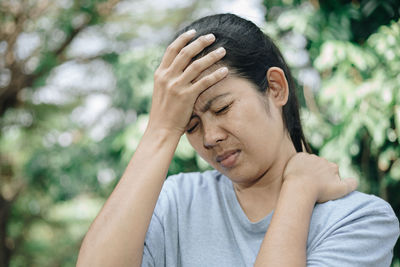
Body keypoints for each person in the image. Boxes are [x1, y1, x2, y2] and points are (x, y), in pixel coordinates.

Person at [77, 13, 399, 267]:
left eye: (223, 107)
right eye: (190, 126)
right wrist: (161, 131)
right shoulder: (175, 203)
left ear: (275, 88)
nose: (211, 138)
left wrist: (298, 191)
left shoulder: (359, 220)